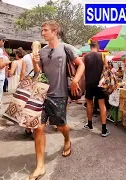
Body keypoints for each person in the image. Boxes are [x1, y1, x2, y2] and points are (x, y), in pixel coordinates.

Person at [29, 20, 85, 180]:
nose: (42, 33)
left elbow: (81, 65)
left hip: (59, 94)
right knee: (38, 128)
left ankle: (67, 139)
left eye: (45, 30)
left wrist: (75, 80)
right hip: (42, 94)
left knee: (60, 126)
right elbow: (39, 73)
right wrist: (34, 61)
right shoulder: (43, 51)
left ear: (55, 31)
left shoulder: (66, 48)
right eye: (42, 30)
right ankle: (40, 166)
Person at [83, 40, 110, 137]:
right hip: (100, 84)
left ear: (90, 47)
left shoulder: (85, 57)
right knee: (102, 105)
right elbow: (106, 71)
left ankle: (89, 124)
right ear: (98, 47)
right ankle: (103, 129)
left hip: (89, 83)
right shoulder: (103, 56)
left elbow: (82, 71)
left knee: (89, 103)